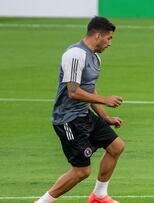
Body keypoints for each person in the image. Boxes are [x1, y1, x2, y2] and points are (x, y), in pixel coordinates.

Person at [35, 16, 125, 203]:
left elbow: (89, 89)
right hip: (68, 119)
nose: (110, 43)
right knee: (82, 171)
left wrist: (105, 117)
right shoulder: (75, 54)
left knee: (116, 147)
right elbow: (73, 92)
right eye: (109, 38)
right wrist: (105, 100)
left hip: (84, 115)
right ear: (98, 35)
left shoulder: (95, 58)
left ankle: (99, 196)